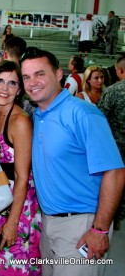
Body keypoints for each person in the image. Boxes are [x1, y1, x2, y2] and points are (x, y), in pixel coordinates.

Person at [20, 47, 125, 276]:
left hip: (81, 226)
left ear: (59, 75)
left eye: (40, 74)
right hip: (49, 225)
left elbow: (115, 172)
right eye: (26, 77)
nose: (32, 82)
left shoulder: (82, 113)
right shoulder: (38, 115)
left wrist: (99, 229)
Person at [0, 60, 41, 275]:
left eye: (12, 83)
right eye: (0, 81)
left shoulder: (20, 121)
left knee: (9, 265)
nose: (5, 88)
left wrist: (13, 222)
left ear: (20, 89)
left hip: (15, 206)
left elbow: (23, 177)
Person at [98, 55, 125, 231]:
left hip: (116, 149)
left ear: (120, 70)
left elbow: (99, 121)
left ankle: (114, 217)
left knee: (114, 184)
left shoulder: (113, 91)